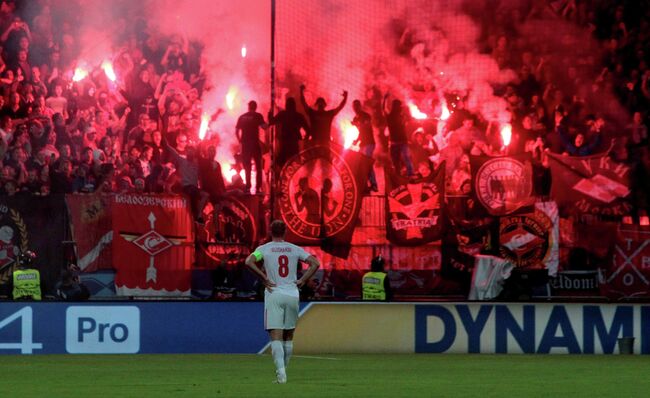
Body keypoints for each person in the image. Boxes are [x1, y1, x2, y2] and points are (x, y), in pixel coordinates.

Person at [244, 220, 320, 384]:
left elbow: (248, 261)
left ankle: (281, 375)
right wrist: (303, 280)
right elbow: (315, 263)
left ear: (270, 232)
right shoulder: (294, 249)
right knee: (289, 336)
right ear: (285, 232)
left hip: (274, 294)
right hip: (292, 294)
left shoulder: (264, 249)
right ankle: (283, 372)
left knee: (276, 336)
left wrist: (263, 277)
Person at [236, 100, 267, 194]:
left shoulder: (242, 117)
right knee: (258, 166)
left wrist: (240, 141)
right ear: (256, 107)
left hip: (245, 144)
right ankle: (258, 187)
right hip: (254, 144)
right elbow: (265, 127)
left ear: (249, 107)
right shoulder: (258, 116)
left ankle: (247, 186)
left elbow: (237, 131)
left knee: (247, 166)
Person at [268, 97, 309, 167]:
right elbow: (308, 129)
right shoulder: (298, 116)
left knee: (282, 162)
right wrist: (305, 139)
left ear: (286, 105)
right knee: (293, 162)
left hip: (285, 142)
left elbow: (271, 121)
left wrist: (270, 112)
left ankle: (282, 175)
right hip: (293, 142)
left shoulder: (283, 114)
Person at [352, 99, 378, 192]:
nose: (355, 108)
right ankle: (365, 184)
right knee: (361, 163)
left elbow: (366, 126)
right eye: (354, 106)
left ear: (360, 106)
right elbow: (361, 132)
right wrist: (357, 140)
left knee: (366, 163)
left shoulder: (366, 116)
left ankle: (373, 184)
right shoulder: (356, 118)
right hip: (363, 144)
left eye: (357, 106)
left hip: (369, 143)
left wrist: (357, 123)